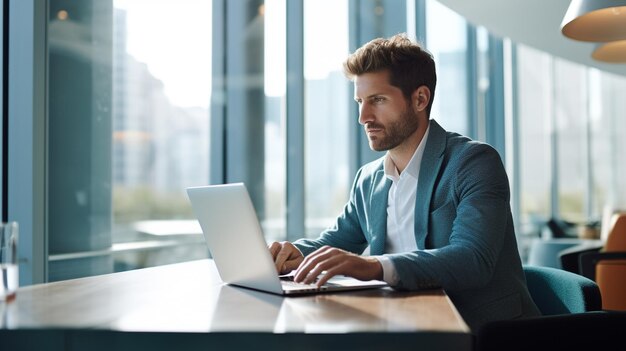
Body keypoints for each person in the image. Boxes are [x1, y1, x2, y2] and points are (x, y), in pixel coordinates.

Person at [268, 33, 540, 332]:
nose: (363, 117)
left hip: (483, 331)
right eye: (360, 101)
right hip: (403, 323)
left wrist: (374, 266)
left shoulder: (473, 162)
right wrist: (290, 253)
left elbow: (473, 259)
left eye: (378, 100)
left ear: (420, 98)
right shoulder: (368, 179)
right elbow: (335, 243)